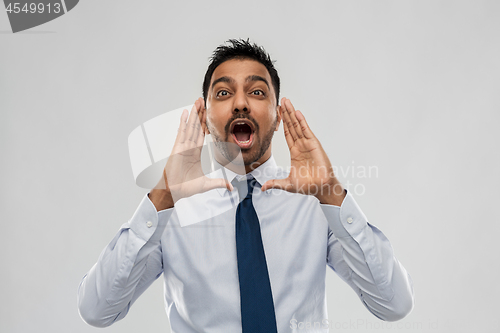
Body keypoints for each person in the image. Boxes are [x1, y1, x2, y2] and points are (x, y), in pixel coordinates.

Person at [77, 39, 414, 332]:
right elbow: (97, 311)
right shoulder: (170, 213)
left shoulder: (316, 205)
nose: (240, 103)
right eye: (223, 93)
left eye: (256, 92)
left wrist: (331, 193)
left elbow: (393, 304)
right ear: (204, 119)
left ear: (278, 116)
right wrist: (163, 196)